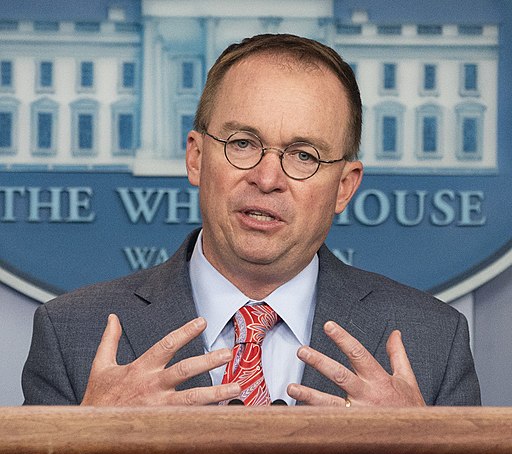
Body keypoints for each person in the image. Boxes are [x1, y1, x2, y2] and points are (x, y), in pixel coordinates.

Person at [22, 33, 480, 407]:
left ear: (345, 186)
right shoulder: (72, 336)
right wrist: (88, 438)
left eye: (304, 155)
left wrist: (423, 451)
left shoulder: (433, 344)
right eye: (242, 143)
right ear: (196, 157)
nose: (266, 178)